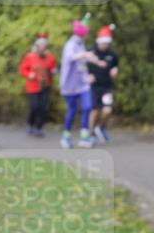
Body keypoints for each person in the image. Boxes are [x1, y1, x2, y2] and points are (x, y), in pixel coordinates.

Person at [59, 15, 99, 149]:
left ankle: (84, 135)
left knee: (87, 107)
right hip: (69, 85)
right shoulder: (70, 45)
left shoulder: (81, 45)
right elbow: (72, 57)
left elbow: (83, 61)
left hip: (82, 84)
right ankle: (66, 136)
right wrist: (85, 55)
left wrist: (95, 61)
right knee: (72, 110)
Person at [18, 32, 56, 137]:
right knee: (35, 107)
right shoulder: (30, 56)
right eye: (41, 45)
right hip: (33, 87)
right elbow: (22, 69)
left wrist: (53, 72)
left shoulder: (50, 57)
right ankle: (30, 124)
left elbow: (53, 68)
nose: (43, 47)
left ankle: (38, 128)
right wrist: (28, 74)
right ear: (37, 46)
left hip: (46, 85)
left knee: (43, 108)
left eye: (45, 45)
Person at [87, 24, 119, 144]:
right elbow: (82, 67)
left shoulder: (113, 55)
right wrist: (87, 76)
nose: (105, 45)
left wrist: (115, 71)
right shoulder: (91, 51)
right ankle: (90, 134)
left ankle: (101, 128)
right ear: (99, 42)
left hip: (106, 87)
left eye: (107, 43)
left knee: (107, 110)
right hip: (93, 87)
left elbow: (115, 67)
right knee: (94, 111)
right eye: (103, 43)